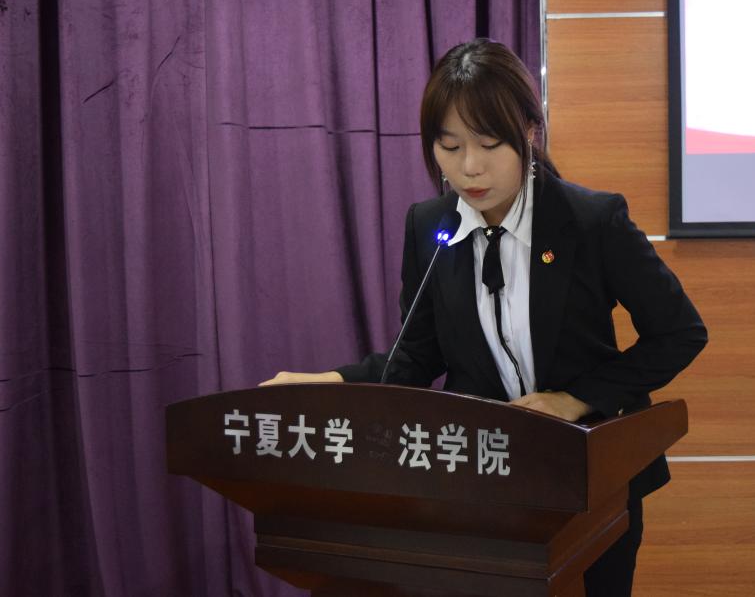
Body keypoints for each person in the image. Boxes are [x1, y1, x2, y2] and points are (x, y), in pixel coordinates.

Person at [260, 38, 708, 596]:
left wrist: (575, 399)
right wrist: (329, 384)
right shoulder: (430, 227)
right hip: (488, 483)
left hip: (594, 476)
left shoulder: (591, 221)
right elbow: (415, 358)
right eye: (449, 146)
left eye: (489, 144)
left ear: (530, 133)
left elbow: (680, 333)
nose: (469, 167)